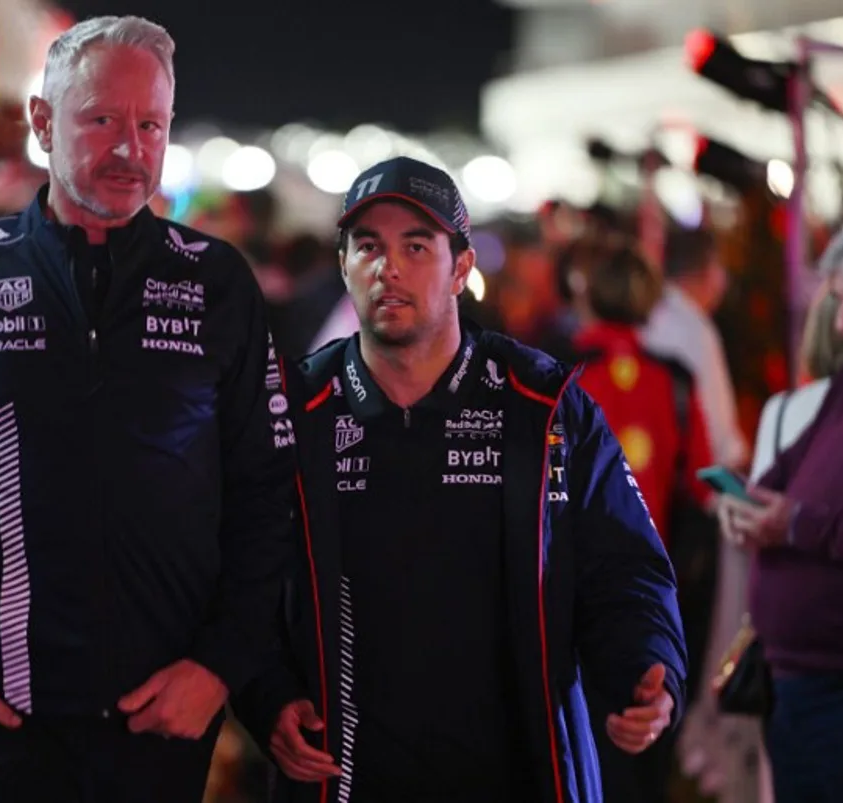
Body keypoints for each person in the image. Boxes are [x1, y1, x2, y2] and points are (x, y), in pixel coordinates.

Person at [0, 15, 294, 803]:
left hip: (166, 726)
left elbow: (269, 490)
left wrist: (221, 665)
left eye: (150, 124)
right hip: (1, 726)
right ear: (43, 123)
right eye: (102, 120)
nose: (130, 148)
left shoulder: (218, 283)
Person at [231, 157, 687, 803]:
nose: (388, 267)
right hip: (348, 776)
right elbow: (240, 575)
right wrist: (266, 694)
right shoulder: (293, 408)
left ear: (462, 268)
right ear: (343, 267)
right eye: (368, 247)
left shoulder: (544, 403)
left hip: (518, 772)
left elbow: (624, 565)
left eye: (416, 246)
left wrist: (648, 664)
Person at [716, 217, 843, 803]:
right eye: (840, 302)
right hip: (800, 680)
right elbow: (777, 479)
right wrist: (744, 507)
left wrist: (796, 524)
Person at [565, 242, 714, 802]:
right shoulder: (674, 379)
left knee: (580, 742)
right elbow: (700, 481)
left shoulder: (556, 372)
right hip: (654, 590)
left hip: (570, 583)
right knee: (644, 734)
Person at [640, 227, 748, 471]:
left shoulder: (650, 316)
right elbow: (717, 429)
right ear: (708, 270)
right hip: (692, 475)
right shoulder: (696, 330)